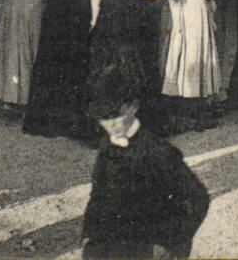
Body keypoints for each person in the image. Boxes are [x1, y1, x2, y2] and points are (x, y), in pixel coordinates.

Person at [81, 70, 211, 260]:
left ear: (133, 107)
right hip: (113, 245)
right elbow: (98, 195)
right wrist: (88, 234)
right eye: (104, 118)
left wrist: (171, 244)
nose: (110, 124)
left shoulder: (157, 151)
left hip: (149, 246)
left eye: (115, 115)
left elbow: (198, 198)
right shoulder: (107, 147)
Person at [25, 0, 95, 140]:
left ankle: (45, 120)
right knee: (75, 60)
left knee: (51, 59)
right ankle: (71, 119)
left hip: (56, 3)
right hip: (76, 3)